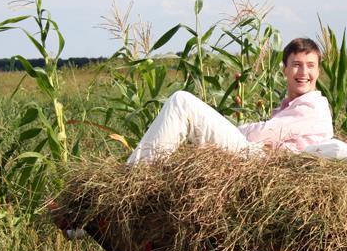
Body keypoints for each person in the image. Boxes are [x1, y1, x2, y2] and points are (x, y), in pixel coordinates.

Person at [127, 37, 333, 164]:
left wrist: (236, 130)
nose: (304, 72)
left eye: (310, 65)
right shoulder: (292, 106)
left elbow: (263, 134)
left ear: (318, 70)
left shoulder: (314, 107)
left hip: (260, 160)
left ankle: (133, 180)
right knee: (184, 109)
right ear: (285, 70)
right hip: (261, 158)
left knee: (182, 102)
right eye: (297, 64)